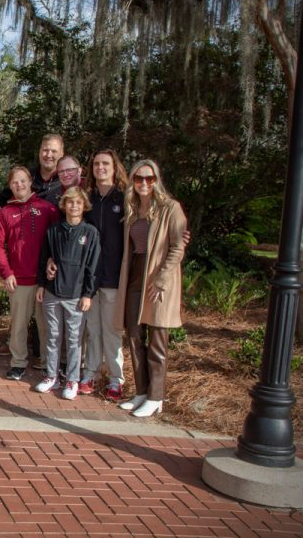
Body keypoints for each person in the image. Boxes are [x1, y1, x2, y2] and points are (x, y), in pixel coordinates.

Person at [114, 159, 187, 417]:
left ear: (156, 180)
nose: (144, 183)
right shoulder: (132, 210)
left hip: (157, 277)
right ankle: (142, 392)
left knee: (157, 340)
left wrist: (163, 278)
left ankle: (156, 397)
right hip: (134, 273)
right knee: (134, 335)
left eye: (149, 178)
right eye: (138, 178)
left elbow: (178, 246)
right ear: (132, 181)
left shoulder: (170, 208)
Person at [0, 133, 64, 357]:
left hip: (45, 277)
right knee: (19, 324)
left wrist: (54, 263)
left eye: (23, 181)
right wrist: (6, 272)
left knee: (46, 326)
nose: (19, 185)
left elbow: (57, 238)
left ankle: (47, 363)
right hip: (19, 277)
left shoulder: (50, 204)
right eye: (15, 182)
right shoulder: (6, 211)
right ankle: (18, 361)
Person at [34, 187, 100, 400]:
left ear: (84, 206)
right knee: (52, 336)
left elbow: (93, 266)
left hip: (76, 296)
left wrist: (88, 294)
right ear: (64, 205)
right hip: (53, 294)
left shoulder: (90, 232)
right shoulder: (54, 230)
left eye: (78, 203)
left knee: (74, 339)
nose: (74, 206)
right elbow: (45, 259)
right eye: (70, 202)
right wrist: (42, 285)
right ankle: (51, 376)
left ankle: (72, 379)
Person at [79, 149, 129, 399]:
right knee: (92, 330)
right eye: (96, 163)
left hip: (113, 277)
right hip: (89, 278)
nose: (100, 167)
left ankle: (115, 379)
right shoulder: (87, 200)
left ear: (114, 167)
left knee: (111, 331)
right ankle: (90, 374)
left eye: (105, 164)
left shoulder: (123, 198)